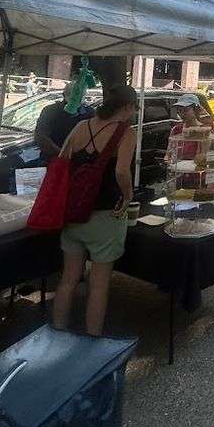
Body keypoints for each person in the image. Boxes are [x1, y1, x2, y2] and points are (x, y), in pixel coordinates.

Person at [52, 85, 138, 336]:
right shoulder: (126, 133)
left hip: (73, 212)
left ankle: (58, 329)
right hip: (105, 216)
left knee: (69, 278)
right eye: (134, 107)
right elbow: (122, 171)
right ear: (127, 106)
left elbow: (62, 159)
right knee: (99, 285)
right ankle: (92, 337)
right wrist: (128, 195)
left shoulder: (82, 126)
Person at [34, 83, 93, 162]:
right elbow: (41, 137)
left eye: (80, 95)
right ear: (65, 95)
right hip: (52, 160)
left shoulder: (89, 113)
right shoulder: (51, 111)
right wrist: (62, 154)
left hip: (80, 161)